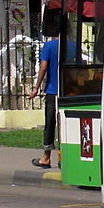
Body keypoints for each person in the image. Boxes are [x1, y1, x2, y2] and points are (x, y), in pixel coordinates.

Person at [30, 29, 60, 169]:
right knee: (64, 126)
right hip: (69, 91)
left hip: (52, 91)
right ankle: (63, 157)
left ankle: (46, 158)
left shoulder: (49, 46)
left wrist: (36, 87)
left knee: (50, 124)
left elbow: (43, 67)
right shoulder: (72, 45)